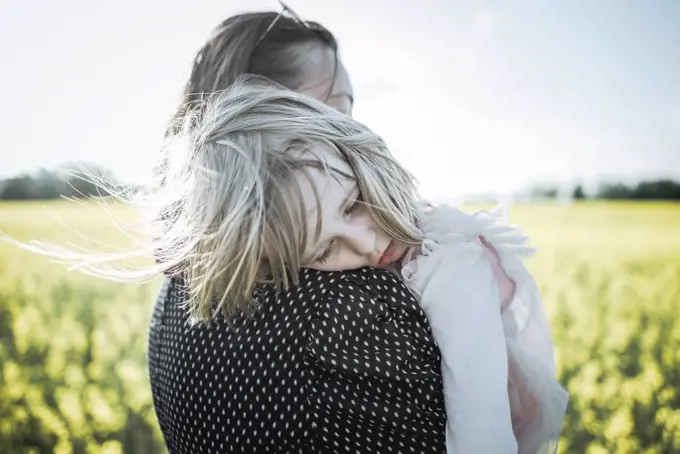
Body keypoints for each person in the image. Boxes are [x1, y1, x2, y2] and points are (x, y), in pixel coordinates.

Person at [147, 79, 566, 452]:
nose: (367, 245)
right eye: (326, 250)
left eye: (352, 204)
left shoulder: (455, 272)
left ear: (357, 148)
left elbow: (485, 435)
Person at [146, 5, 449, 453]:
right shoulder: (351, 305)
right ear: (265, 117)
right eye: (337, 109)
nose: (352, 129)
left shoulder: (174, 296)